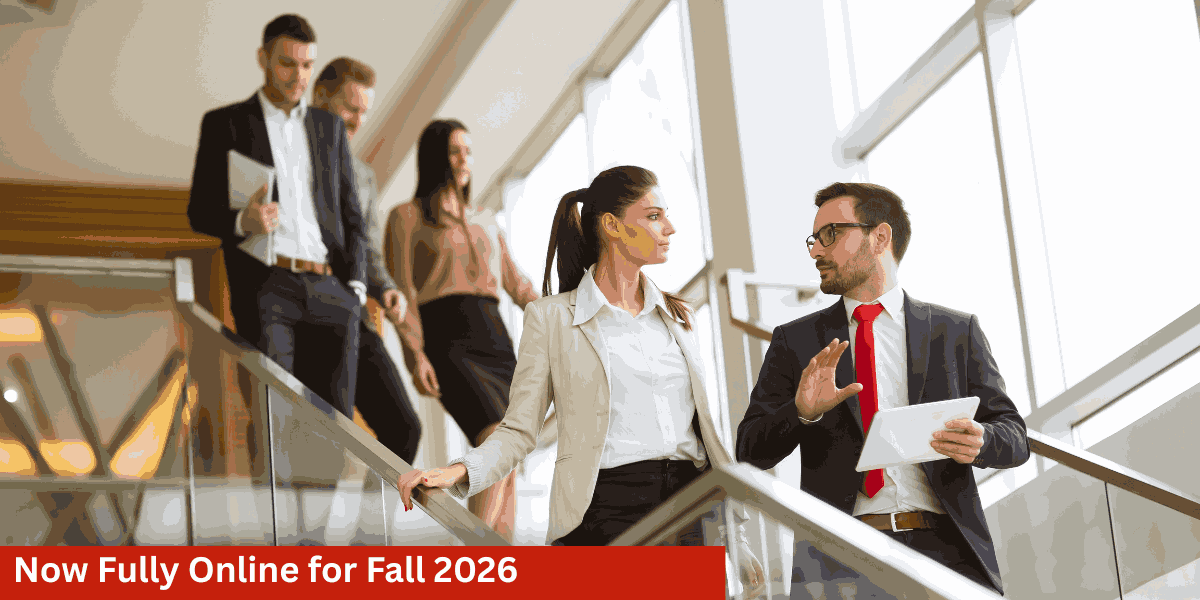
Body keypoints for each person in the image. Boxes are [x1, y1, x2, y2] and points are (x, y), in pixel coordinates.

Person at [394, 166, 765, 589]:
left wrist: (736, 538)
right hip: (609, 508)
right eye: (654, 216)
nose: (670, 228)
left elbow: (704, 436)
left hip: (694, 506)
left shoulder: (679, 318)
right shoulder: (552, 319)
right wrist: (459, 471)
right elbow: (518, 430)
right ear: (612, 226)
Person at [736, 182, 1029, 595]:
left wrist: (983, 440)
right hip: (842, 562)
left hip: (947, 554)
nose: (816, 251)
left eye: (830, 235)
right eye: (813, 240)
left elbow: (1015, 435)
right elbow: (750, 448)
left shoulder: (955, 331)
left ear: (880, 237)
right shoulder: (796, 341)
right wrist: (802, 412)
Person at [187, 14, 368, 417]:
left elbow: (352, 216)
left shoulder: (330, 127)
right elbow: (198, 212)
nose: (299, 76)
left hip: (331, 287)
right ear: (263, 59)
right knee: (275, 418)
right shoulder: (226, 124)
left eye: (307, 65)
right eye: (288, 63)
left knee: (336, 422)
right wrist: (241, 221)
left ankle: (326, 485)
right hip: (268, 287)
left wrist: (355, 288)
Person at [384, 119, 538, 541]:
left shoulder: (485, 217)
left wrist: (564, 314)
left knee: (509, 454)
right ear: (435, 158)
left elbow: (517, 283)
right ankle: (472, 558)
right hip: (447, 337)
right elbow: (403, 294)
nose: (465, 159)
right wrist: (415, 354)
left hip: (495, 336)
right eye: (455, 151)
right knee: (493, 437)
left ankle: (502, 565)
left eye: (468, 151)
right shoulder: (406, 218)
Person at [312, 57, 421, 463]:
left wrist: (387, 287)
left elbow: (370, 249)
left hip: (354, 311)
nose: (357, 120)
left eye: (363, 112)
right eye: (350, 107)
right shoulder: (288, 158)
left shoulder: (363, 177)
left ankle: (368, 528)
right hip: (306, 309)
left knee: (405, 426)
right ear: (320, 96)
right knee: (326, 438)